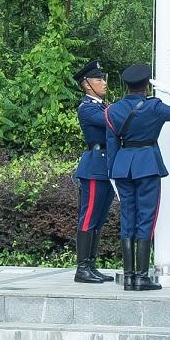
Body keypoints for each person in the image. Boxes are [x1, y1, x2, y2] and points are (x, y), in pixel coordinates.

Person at [101, 69, 170, 292]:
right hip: (147, 164)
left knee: (128, 218)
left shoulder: (112, 110)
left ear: (126, 85)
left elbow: (112, 144)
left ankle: (128, 277)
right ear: (147, 85)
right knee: (146, 218)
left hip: (123, 166)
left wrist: (114, 173)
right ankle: (142, 277)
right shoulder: (153, 106)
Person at [67, 62, 116, 284]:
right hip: (94, 165)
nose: (104, 83)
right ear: (87, 85)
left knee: (99, 218)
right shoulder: (87, 108)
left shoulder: (103, 105)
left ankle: (91, 265)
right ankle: (82, 268)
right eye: (99, 80)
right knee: (88, 217)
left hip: (106, 167)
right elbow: (109, 122)